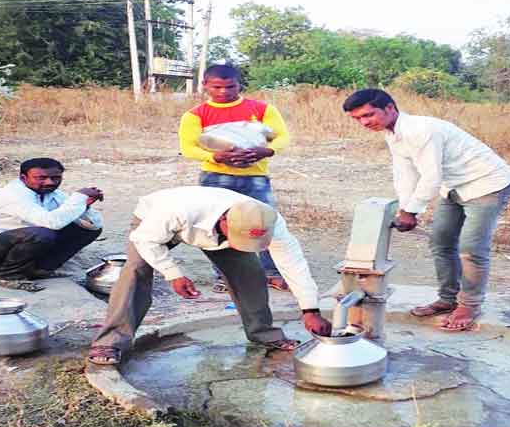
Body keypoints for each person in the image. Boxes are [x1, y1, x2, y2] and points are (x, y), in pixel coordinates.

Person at [87, 186, 331, 365]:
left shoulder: (270, 221)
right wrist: (173, 274)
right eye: (240, 239)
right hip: (159, 225)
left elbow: (294, 266)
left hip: (214, 230)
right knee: (135, 273)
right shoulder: (175, 211)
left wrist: (310, 310)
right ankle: (109, 343)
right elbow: (145, 240)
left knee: (250, 275)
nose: (243, 245)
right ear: (225, 221)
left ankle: (263, 333)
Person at [343, 89, 510, 331]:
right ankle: (448, 300)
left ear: (390, 108)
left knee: (471, 249)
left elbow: (431, 176)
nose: (364, 123)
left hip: (487, 183)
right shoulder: (392, 134)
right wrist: (405, 208)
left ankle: (469, 305)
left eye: (368, 115)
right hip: (455, 186)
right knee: (441, 242)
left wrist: (412, 212)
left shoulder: (420, 130)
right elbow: (405, 173)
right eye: (358, 119)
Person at [178, 64, 291, 293]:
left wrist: (267, 151)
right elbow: (188, 147)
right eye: (216, 87)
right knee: (217, 226)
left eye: (230, 86)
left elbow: (282, 137)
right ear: (205, 85)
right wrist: (215, 156)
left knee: (264, 223)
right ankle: (224, 276)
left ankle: (271, 272)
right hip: (215, 176)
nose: (223, 92)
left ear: (239, 84)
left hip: (255, 176)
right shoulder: (195, 115)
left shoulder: (262, 109)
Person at [0, 157, 104, 292]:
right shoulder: (12, 195)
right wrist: (78, 198)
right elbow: (52, 222)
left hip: (15, 243)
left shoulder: (52, 193)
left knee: (85, 229)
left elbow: (95, 224)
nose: (49, 182)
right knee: (43, 234)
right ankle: (7, 275)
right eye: (41, 178)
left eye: (55, 178)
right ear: (23, 178)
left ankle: (40, 269)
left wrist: (84, 205)